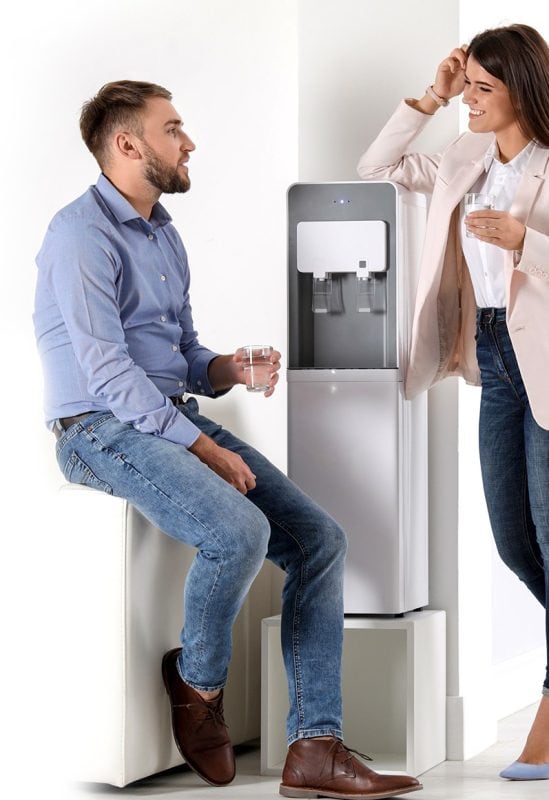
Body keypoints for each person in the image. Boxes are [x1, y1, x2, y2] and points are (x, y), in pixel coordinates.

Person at [33, 80, 422, 799]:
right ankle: (199, 688)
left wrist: (227, 369)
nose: (188, 142)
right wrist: (202, 446)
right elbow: (107, 372)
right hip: (96, 428)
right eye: (172, 128)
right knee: (239, 531)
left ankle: (314, 744)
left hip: (162, 415)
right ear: (127, 145)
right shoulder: (78, 236)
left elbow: (179, 354)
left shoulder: (163, 235)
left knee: (318, 540)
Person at [357, 23, 549, 782]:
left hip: (545, 359)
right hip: (493, 355)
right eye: (462, 85)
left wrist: (523, 241)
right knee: (512, 539)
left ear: (520, 92)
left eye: (479, 89)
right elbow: (376, 165)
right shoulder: (464, 156)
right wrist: (430, 95)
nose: (466, 101)